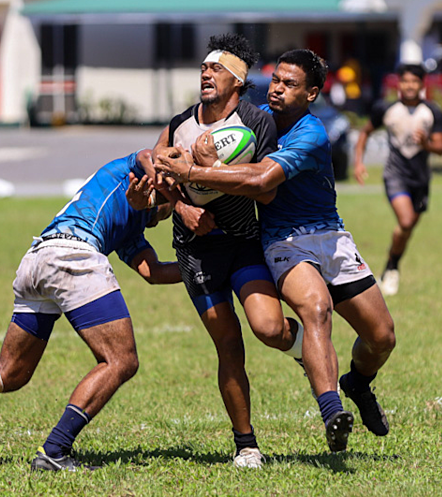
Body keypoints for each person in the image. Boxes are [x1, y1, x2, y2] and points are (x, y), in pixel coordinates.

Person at [156, 49, 396, 452]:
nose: (277, 89)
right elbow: (170, 144)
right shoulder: (252, 121)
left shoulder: (311, 133)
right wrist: (177, 192)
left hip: (330, 236)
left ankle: (357, 382)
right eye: (276, 80)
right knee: (316, 309)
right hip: (282, 239)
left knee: (382, 336)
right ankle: (332, 411)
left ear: (311, 93)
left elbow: (262, 180)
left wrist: (197, 172)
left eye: (290, 84)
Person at [0, 150, 180, 471]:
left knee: (10, 371)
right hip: (72, 254)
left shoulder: (132, 227)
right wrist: (175, 195)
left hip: (38, 258)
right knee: (121, 360)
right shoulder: (125, 173)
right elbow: (148, 155)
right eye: (169, 207)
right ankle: (55, 450)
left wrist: (207, 268)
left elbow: (154, 272)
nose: (164, 216)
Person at [153, 33, 301, 468]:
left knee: (269, 328)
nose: (205, 73)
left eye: (216, 68)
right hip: (195, 250)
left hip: (242, 242)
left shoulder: (257, 123)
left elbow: (267, 191)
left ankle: (304, 349)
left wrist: (207, 171)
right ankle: (246, 445)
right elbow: (158, 177)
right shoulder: (180, 124)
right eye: (203, 67)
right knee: (228, 344)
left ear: (237, 80)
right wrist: (182, 207)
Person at [353, 63, 442, 296]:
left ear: (422, 84)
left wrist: (425, 144)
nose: (410, 86)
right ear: (399, 83)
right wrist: (358, 162)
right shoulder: (386, 108)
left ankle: (391, 265)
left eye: (414, 81)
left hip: (420, 179)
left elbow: (440, 148)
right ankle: (392, 268)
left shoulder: (432, 111)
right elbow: (365, 132)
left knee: (407, 229)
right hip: (395, 174)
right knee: (405, 222)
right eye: (405, 81)